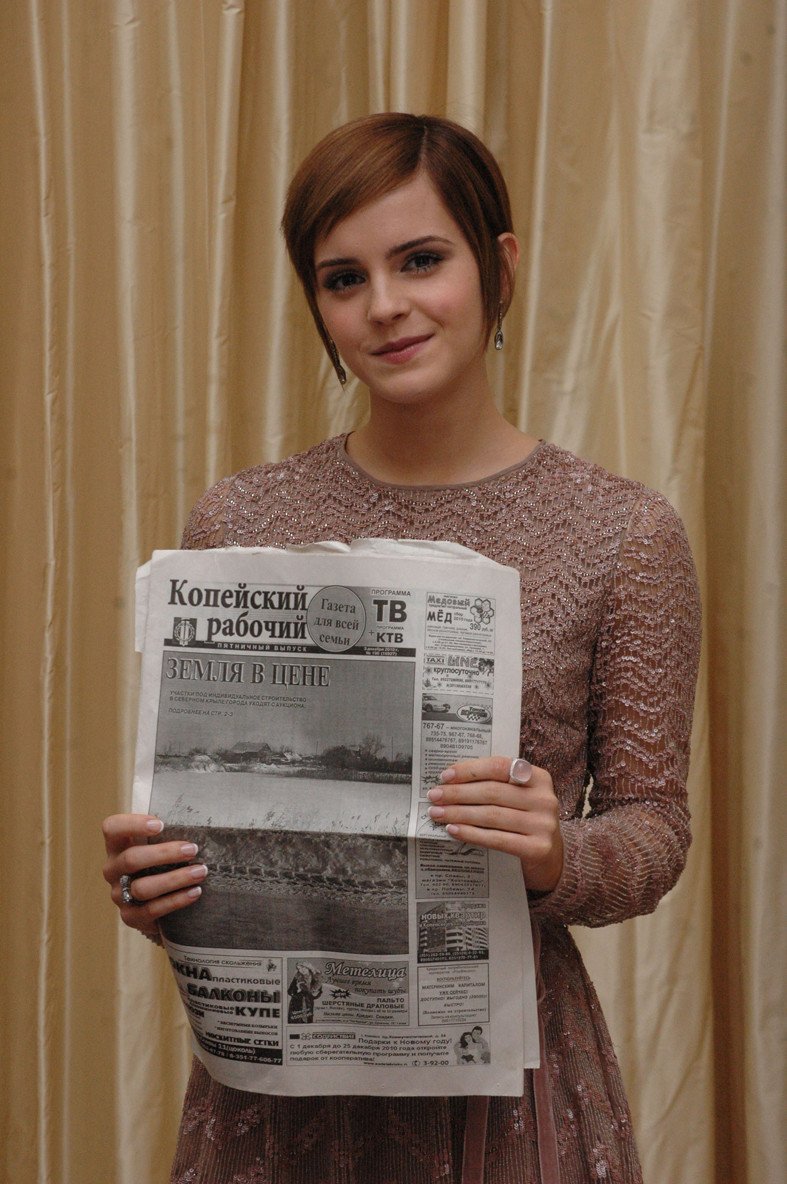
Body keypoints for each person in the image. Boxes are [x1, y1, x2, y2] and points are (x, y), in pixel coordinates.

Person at [102, 112, 701, 1183]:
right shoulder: (238, 522)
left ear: (498, 268)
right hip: (278, 1095)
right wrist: (163, 884)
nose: (384, 304)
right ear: (318, 306)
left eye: (421, 260)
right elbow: (214, 829)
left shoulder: (624, 532)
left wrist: (556, 853)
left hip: (506, 1089)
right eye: (344, 278)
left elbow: (654, 825)